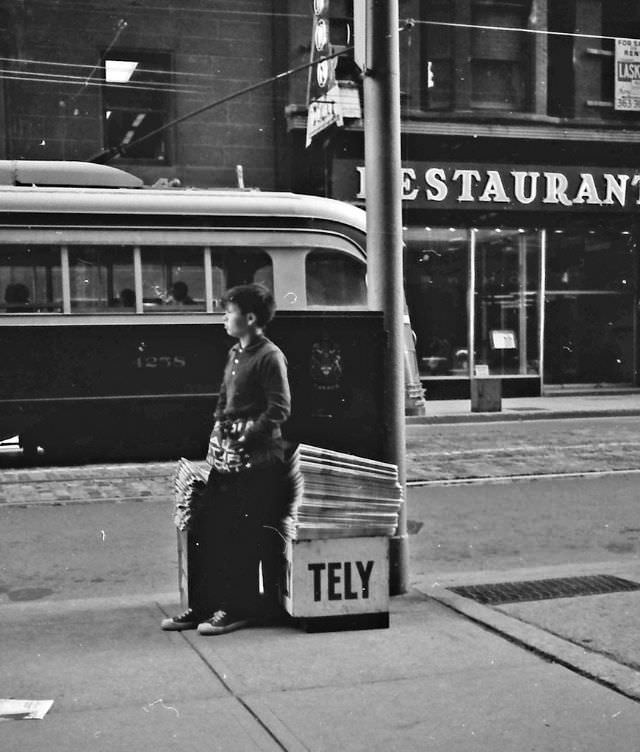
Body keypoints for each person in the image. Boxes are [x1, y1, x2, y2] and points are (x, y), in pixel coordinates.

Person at [161, 283, 291, 635]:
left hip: (258, 463)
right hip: (227, 459)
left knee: (240, 536)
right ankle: (202, 606)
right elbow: (224, 400)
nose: (223, 316)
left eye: (229, 311)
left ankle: (237, 609)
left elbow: (279, 409)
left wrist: (244, 436)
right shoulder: (235, 353)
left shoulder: (269, 356)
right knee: (203, 527)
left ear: (250, 318)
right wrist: (219, 429)